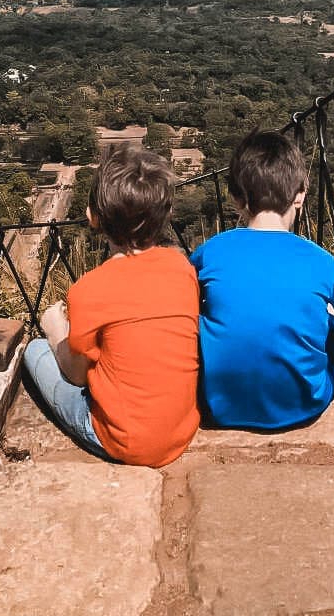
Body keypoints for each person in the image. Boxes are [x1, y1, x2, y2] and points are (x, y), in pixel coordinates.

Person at [190, 130, 334, 430]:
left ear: (236, 198)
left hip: (219, 404)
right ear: (301, 194)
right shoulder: (319, 260)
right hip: (301, 405)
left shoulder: (210, 252)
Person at [23, 145, 200, 466]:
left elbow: (77, 376)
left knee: (34, 351)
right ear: (166, 215)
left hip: (124, 442)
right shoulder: (182, 269)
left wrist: (54, 330)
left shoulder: (90, 289)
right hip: (183, 430)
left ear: (93, 217)